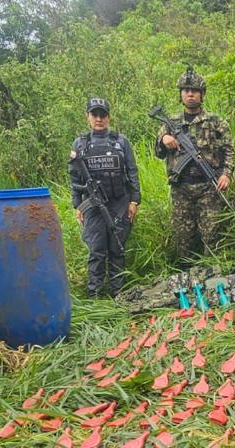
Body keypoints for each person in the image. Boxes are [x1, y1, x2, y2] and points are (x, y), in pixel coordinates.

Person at [155, 67, 235, 266]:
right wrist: (163, 139)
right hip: (181, 188)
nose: (190, 94)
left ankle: (211, 277)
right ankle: (186, 281)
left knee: (212, 237)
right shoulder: (170, 122)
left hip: (209, 188)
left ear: (202, 94)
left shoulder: (216, 122)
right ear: (180, 95)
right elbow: (158, 153)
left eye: (194, 91)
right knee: (183, 239)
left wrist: (226, 174)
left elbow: (229, 151)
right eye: (185, 90)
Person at [69, 98, 141, 298]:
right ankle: (95, 297)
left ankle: (118, 294)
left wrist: (134, 201)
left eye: (103, 115)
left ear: (109, 117)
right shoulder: (80, 143)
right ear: (88, 117)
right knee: (96, 251)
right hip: (92, 206)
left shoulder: (121, 141)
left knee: (117, 248)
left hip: (119, 202)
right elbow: (74, 178)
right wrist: (78, 205)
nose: (99, 119)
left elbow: (132, 172)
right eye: (95, 115)